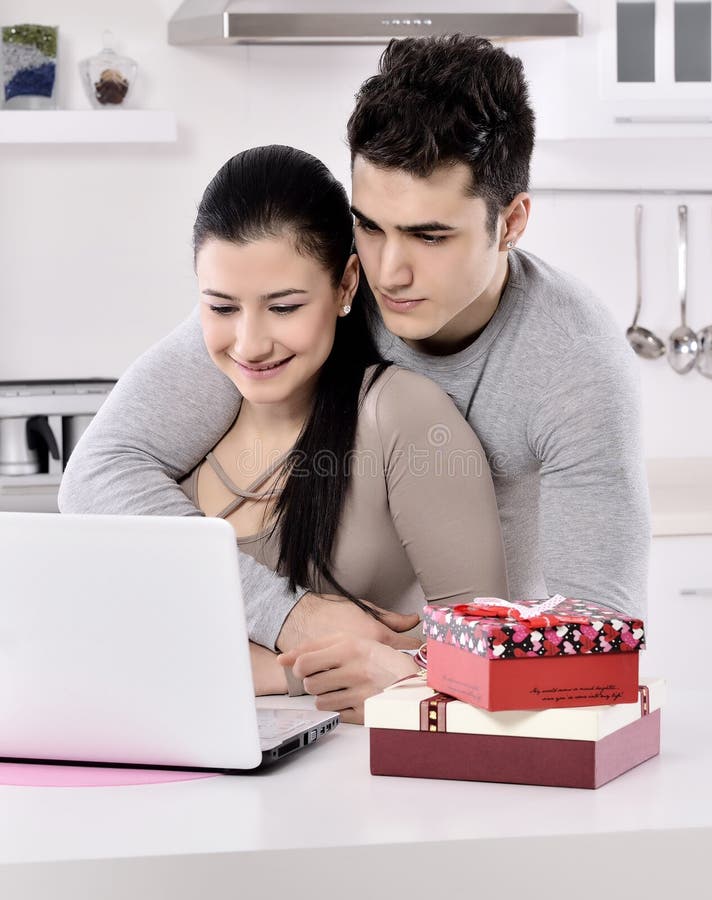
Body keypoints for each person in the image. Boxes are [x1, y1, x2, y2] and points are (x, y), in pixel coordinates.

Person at [59, 35, 649, 717]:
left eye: (429, 236)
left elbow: (602, 648)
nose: (388, 272)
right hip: (287, 708)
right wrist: (291, 618)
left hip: (484, 715)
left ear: (510, 221)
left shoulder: (574, 365)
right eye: (369, 226)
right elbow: (100, 475)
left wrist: (415, 669)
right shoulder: (313, 296)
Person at [61, 143, 509, 722]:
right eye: (221, 307)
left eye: (284, 307)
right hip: (185, 776)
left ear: (347, 285)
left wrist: (392, 675)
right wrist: (287, 658)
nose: (249, 344)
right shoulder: (179, 444)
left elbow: (499, 657)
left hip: (359, 792)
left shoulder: (401, 416)